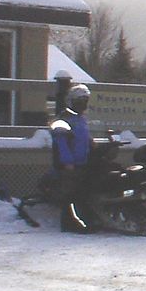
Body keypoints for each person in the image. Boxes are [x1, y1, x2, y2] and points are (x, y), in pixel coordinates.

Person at [51, 83, 94, 232]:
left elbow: (85, 139)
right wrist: (67, 162)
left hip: (82, 163)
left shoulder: (81, 119)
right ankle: (70, 223)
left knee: (82, 193)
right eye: (80, 101)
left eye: (85, 101)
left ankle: (87, 220)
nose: (83, 105)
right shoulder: (63, 119)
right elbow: (61, 143)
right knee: (70, 194)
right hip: (69, 165)